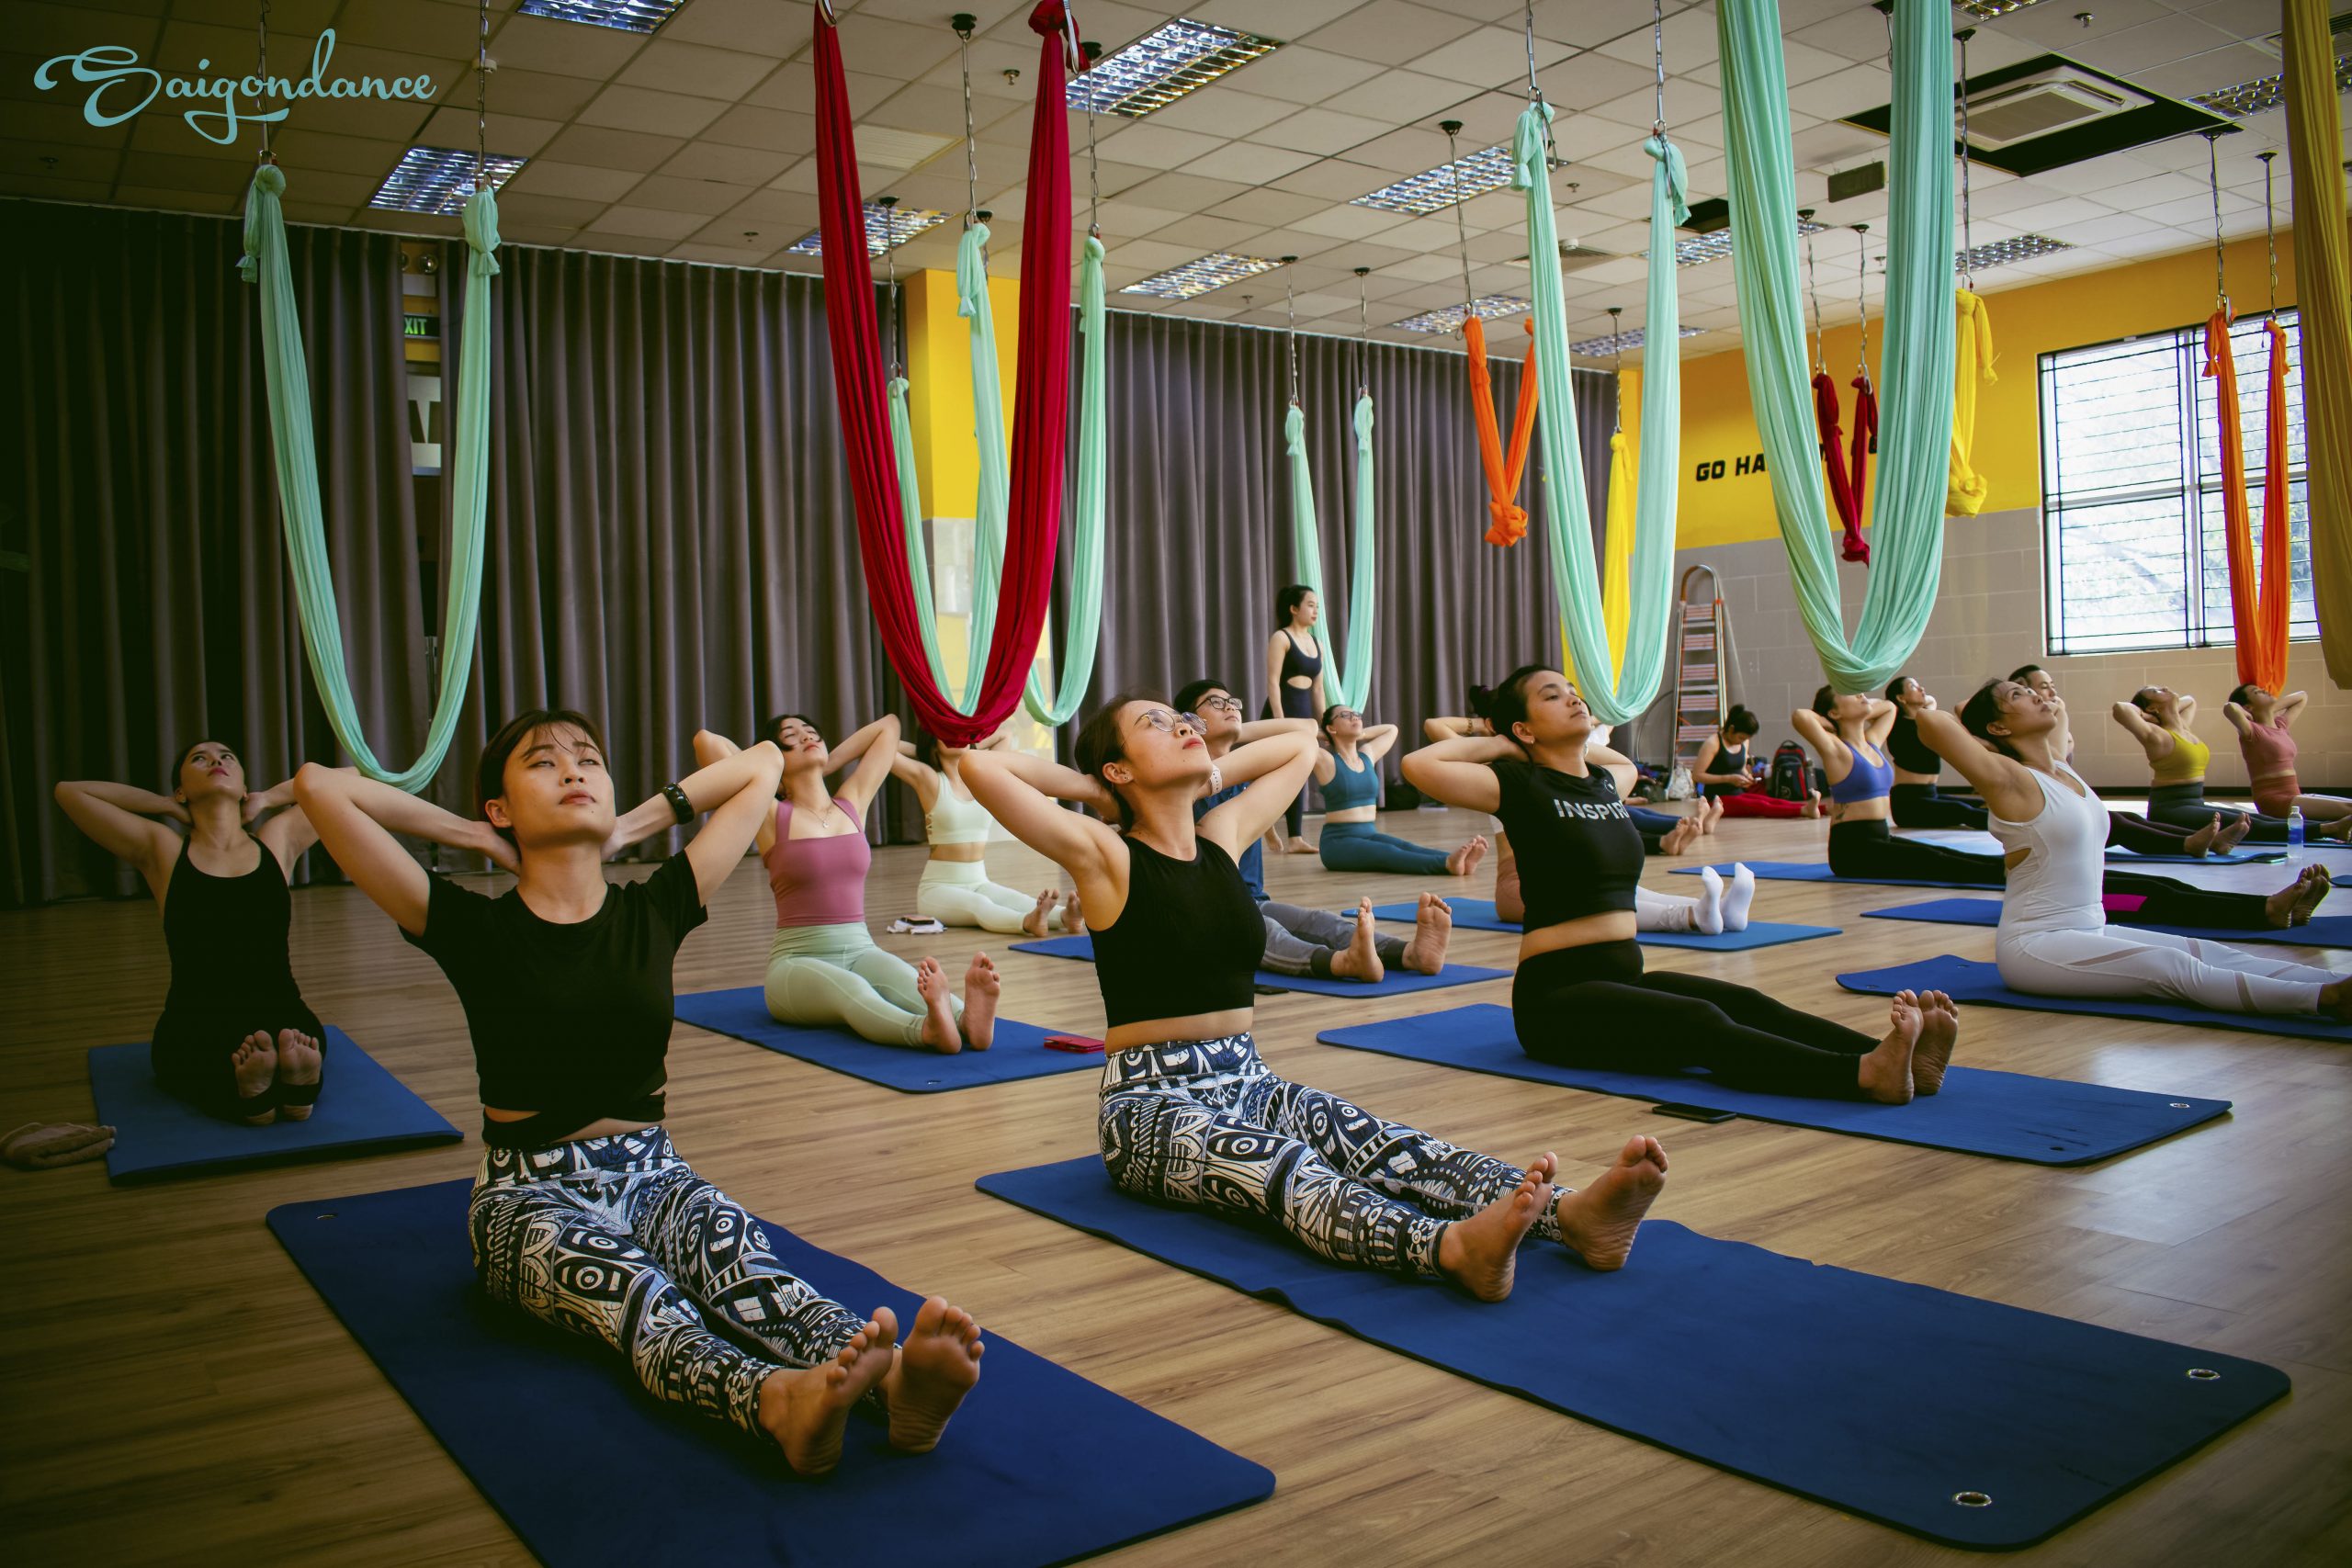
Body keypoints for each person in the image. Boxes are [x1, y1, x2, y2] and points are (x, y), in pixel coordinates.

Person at [294, 711, 984, 1470]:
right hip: (527, 1198)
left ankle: (897, 1391)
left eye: (589, 758)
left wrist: (638, 822)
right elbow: (320, 788)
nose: (573, 772)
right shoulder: (468, 925)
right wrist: (475, 837)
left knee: (743, 1259)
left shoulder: (656, 905)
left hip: (655, 1171)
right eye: (542, 764)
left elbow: (757, 764)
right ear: (500, 805)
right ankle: (776, 1402)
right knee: (639, 1296)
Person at [965, 700, 1671, 1296]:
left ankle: (1573, 1216)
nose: (1184, 724)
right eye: (1157, 723)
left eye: (1184, 717)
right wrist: (1098, 790)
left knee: (1385, 1142)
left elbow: (1301, 744)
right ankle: (1452, 1249)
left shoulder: (1221, 836)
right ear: (1117, 767)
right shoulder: (1107, 855)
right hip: (1150, 1106)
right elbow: (980, 765)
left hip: (1249, 1076)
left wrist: (1205, 764)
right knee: (1285, 1168)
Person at [1404, 669, 1955, 1102]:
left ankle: (1893, 1056)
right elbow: (1418, 763)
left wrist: (1555, 741)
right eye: (1552, 696)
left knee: (1745, 1000)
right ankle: (1862, 1076)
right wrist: (1503, 743)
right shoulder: (1516, 785)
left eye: (1572, 691)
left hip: (1622, 976)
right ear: (1522, 727)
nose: (1573, 699)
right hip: (1556, 1001)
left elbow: (1616, 759)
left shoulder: (1603, 784)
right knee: (1698, 1021)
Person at [1930, 681, 2352, 1020]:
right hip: (2036, 946)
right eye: (2017, 695)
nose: (2037, 695)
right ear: (1998, 729)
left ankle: (2329, 979)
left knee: (2205, 950)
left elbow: (2055, 708)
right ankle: (2324, 999)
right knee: (2170, 968)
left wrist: (2021, 702)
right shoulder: (2008, 779)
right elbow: (1934, 723)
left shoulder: (2061, 767)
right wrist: (1977, 731)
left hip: (2090, 930)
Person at [55, 741, 325, 1124]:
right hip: (196, 1020)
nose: (216, 760)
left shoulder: (276, 840)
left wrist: (266, 799)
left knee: (295, 1040)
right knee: (188, 1058)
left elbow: (342, 782)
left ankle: (270, 1089)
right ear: (181, 790)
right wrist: (165, 805)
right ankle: (282, 1091)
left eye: (227, 757)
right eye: (199, 758)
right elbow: (70, 792)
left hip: (280, 1011)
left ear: (244, 786)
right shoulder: (163, 849)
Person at [696, 714, 998, 1054]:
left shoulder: (852, 803)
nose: (807, 737)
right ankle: (925, 1031)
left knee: (904, 980)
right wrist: (769, 769)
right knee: (853, 990)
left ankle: (967, 1019)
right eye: (791, 737)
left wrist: (826, 761)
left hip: (861, 949)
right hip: (797, 963)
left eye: (812, 732)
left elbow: (889, 727)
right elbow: (706, 742)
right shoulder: (768, 814)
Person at [1176, 678, 1450, 983]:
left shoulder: (1245, 775)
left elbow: (1306, 729)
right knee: (1266, 931)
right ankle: (1341, 963)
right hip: (1212, 910)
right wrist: (1203, 729)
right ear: (1190, 720)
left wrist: (1235, 728)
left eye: (1232, 702)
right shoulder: (1183, 780)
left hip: (1252, 897)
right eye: (1215, 702)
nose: (1229, 706)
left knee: (1318, 921)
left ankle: (1409, 953)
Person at [2010, 665, 2244, 857]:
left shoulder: (2050, 725)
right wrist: (2058, 709)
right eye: (2040, 689)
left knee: (2125, 818)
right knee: (2117, 824)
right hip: (2046, 819)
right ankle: (2189, 844)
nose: (2052, 694)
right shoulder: (2024, 735)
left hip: (2064, 808)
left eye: (2053, 687)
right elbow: (2055, 765)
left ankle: (2201, 841)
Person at [1796, 688, 2009, 884]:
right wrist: (1831, 723)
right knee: (1932, 860)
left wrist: (1856, 713)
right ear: (1834, 713)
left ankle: (2005, 866)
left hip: (1879, 838)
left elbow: (1889, 707)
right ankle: (2001, 877)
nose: (1862, 695)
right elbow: (1801, 716)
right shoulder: (1836, 749)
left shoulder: (1872, 742)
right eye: (1850, 694)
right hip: (1853, 849)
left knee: (1941, 851)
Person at [890, 721, 1075, 937]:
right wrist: (920, 750)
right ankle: (1027, 922)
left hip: (978, 880)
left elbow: (1004, 736)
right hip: (938, 889)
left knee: (1013, 898)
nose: (958, 737)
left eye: (962, 733)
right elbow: (883, 747)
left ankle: (1065, 916)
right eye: (949, 734)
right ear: (933, 743)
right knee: (979, 904)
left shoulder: (981, 779)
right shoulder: (929, 779)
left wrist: (965, 744)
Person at [2113, 687, 2351, 841]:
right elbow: (2121, 708)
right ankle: (2327, 829)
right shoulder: (2156, 735)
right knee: (2247, 823)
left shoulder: (2182, 728)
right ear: (2151, 707)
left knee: (2256, 818)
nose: (2164, 687)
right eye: (2155, 691)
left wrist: (2163, 710)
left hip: (2193, 802)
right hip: (2170, 808)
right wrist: (2148, 716)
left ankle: (2329, 827)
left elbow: (2190, 700)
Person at [1313, 705, 1487, 876]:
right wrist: (1323, 734)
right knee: (1387, 851)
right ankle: (1447, 864)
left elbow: (1391, 729)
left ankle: (1458, 861)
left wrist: (1361, 733)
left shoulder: (1367, 755)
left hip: (1368, 834)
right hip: (1338, 843)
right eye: (1345, 715)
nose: (1354, 717)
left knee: (1405, 846)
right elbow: (1300, 737)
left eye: (1356, 714)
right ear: (1331, 727)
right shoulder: (1327, 761)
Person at [2223, 686, 2352, 824]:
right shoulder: (2252, 731)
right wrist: (2251, 713)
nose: (2265, 690)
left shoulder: (2281, 725)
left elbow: (2302, 696)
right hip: (2273, 800)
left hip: (2294, 795)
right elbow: (2229, 708)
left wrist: (2270, 709)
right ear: (2248, 707)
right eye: (2257, 692)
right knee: (2348, 809)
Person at [1262, 584, 1326, 855]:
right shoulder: (1281, 637)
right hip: (1282, 711)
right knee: (1275, 775)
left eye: (1317, 606)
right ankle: (1265, 822)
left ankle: (1295, 838)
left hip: (1304, 716)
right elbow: (1273, 683)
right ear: (1293, 609)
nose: (1315, 610)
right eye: (1310, 604)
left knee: (1300, 774)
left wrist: (1325, 724)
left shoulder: (1317, 643)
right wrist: (1279, 720)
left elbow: (1318, 690)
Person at [1885, 676, 1986, 829]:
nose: (1921, 689)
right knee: (1961, 810)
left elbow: (1931, 701)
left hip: (1930, 795)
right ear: (1901, 698)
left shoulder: (1924, 722)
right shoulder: (1896, 726)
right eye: (1913, 687)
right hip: (1908, 804)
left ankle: (2018, 818)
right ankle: (2014, 826)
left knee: (1983, 804)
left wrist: (1925, 702)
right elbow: (1882, 708)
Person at [1690, 706, 1821, 818]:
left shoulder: (1744, 741)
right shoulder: (1713, 743)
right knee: (1761, 806)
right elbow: (1697, 775)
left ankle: (1824, 809)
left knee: (1772, 801)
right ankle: (1803, 811)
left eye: (1746, 739)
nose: (1743, 741)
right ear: (1731, 729)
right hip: (1717, 799)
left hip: (1738, 793)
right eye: (1741, 737)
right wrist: (1728, 778)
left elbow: (1740, 768)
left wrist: (1747, 777)